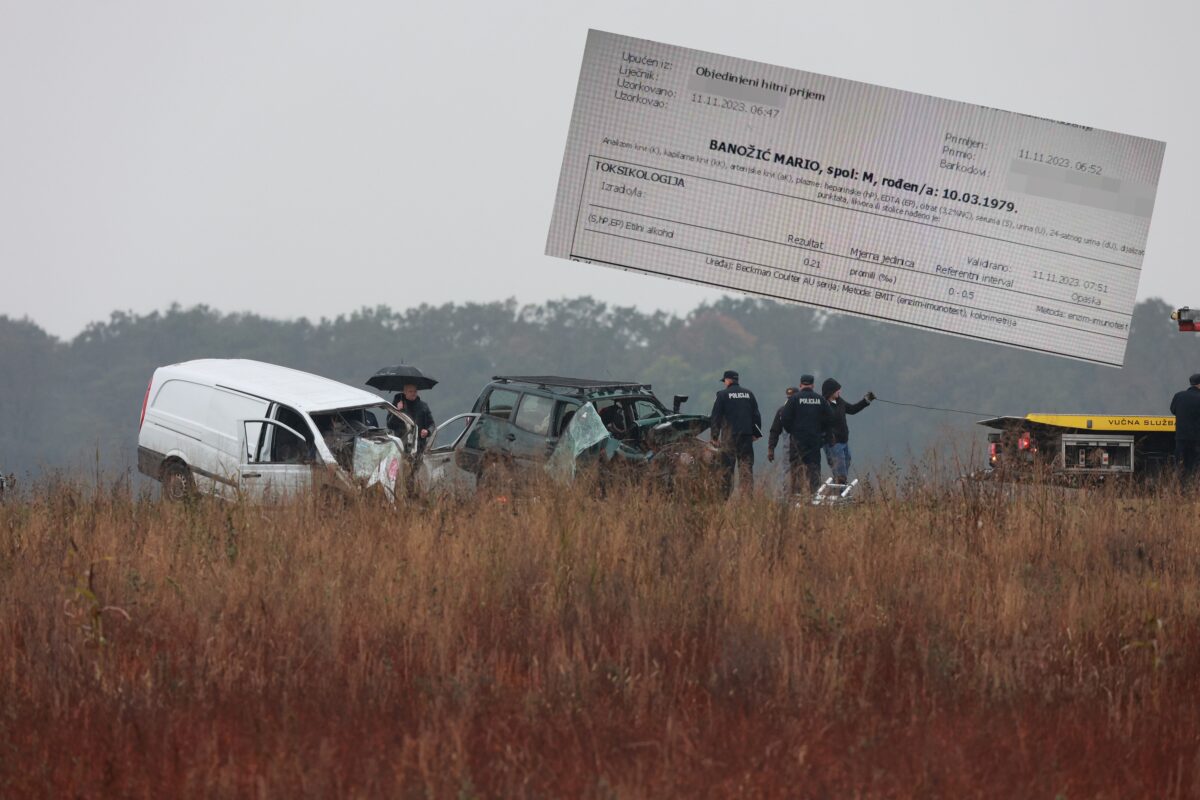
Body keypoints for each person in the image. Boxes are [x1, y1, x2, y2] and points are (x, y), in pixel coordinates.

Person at [710, 369, 762, 496]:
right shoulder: (749, 394)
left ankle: (725, 497)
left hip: (729, 438)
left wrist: (714, 436)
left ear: (728, 380)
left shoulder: (722, 395)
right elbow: (756, 415)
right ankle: (747, 498)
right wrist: (755, 433)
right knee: (746, 468)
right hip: (746, 436)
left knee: (727, 469)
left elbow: (716, 417)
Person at [779, 374, 833, 496]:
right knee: (814, 470)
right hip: (814, 441)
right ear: (813, 385)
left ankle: (796, 496)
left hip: (797, 441)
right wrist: (821, 433)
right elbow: (830, 419)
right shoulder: (820, 400)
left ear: (800, 385)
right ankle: (814, 495)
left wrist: (792, 431)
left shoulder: (794, 399)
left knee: (796, 469)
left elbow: (785, 418)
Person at [821, 378, 875, 484]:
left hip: (844, 442)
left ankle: (839, 492)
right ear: (830, 391)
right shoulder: (823, 405)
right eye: (837, 390)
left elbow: (852, 409)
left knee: (845, 467)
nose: (839, 391)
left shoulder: (839, 401)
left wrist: (866, 400)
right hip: (833, 444)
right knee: (840, 473)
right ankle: (842, 496)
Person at [1170, 373, 1200, 483]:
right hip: (1196, 439)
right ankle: (1190, 490)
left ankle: (1179, 490)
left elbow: (1173, 410)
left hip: (1180, 437)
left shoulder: (1179, 396)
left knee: (1179, 465)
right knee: (1193, 466)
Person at [392, 384, 435, 453]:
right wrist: (397, 411)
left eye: (415, 391)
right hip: (401, 447)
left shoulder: (423, 406)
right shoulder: (397, 405)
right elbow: (390, 425)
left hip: (420, 448)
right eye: (410, 391)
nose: (413, 394)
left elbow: (432, 425)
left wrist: (427, 431)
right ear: (404, 392)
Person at [767, 386, 799, 465]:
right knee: (788, 472)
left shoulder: (803, 410)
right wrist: (771, 448)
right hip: (788, 450)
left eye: (792, 398)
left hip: (804, 449)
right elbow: (775, 431)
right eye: (789, 398)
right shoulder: (782, 411)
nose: (790, 400)